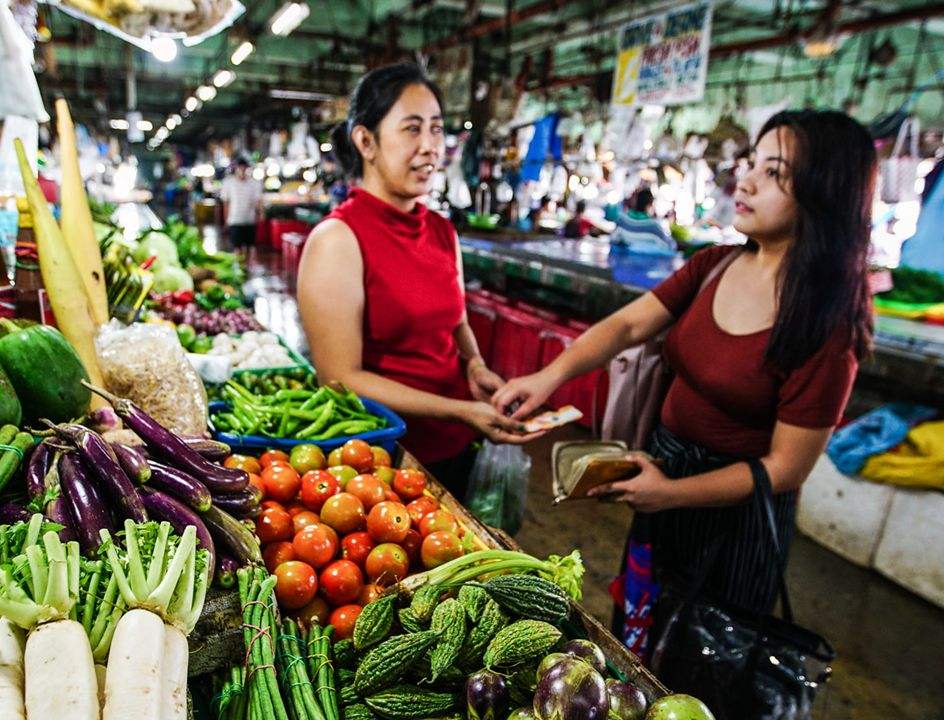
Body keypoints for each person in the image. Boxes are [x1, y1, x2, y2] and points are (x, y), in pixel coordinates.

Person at [491, 110, 875, 710]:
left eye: (773, 172)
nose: (746, 180)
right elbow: (627, 325)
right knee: (636, 633)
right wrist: (548, 377)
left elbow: (785, 468)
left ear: (824, 193)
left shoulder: (827, 325)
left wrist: (673, 493)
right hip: (662, 475)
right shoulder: (713, 265)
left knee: (703, 661)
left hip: (733, 520)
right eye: (751, 163)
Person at [297, 62, 541, 490]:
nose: (431, 147)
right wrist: (457, 409)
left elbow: (457, 322)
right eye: (412, 129)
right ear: (366, 141)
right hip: (382, 463)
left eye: (436, 129)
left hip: (459, 443)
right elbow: (339, 378)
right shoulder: (337, 240)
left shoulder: (442, 231)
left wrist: (475, 365)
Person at [610, 187, 676, 252]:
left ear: (636, 201)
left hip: (624, 257)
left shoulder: (622, 220)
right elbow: (671, 245)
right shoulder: (653, 226)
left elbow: (613, 239)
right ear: (650, 204)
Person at [221, 157, 262, 257]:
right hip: (234, 220)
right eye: (240, 168)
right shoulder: (228, 183)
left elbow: (257, 202)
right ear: (236, 169)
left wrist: (259, 215)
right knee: (237, 248)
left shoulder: (254, 183)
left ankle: (247, 265)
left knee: (249, 247)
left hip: (250, 220)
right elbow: (226, 203)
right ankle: (239, 265)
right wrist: (226, 220)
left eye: (244, 168)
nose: (242, 170)